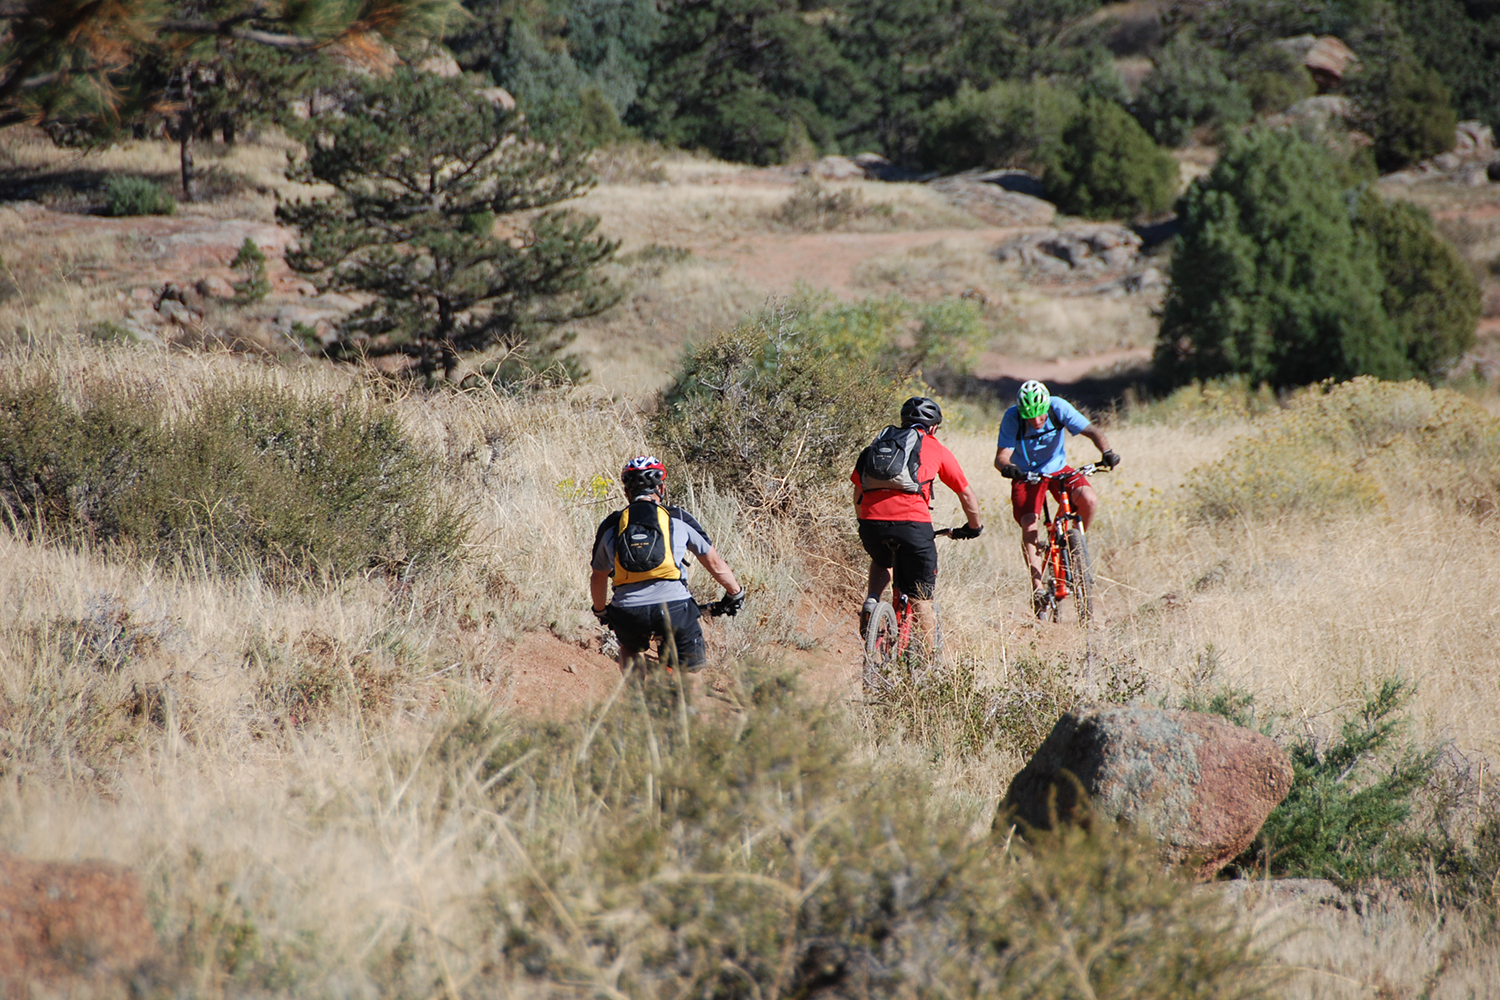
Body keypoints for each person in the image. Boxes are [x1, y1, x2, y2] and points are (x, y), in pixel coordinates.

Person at [852, 396, 983, 654]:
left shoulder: (880, 443)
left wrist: (864, 519)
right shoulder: (935, 448)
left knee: (882, 560)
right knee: (922, 598)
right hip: (913, 525)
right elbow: (965, 494)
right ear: (933, 427)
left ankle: (872, 601)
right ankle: (933, 662)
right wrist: (973, 527)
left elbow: (858, 488)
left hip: (871, 523)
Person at [590, 456, 745, 673]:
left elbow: (598, 576)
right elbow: (714, 562)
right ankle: (689, 703)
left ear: (627, 492)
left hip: (628, 610)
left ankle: (636, 702)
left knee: (630, 650)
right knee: (689, 672)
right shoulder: (678, 517)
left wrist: (600, 610)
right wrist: (734, 593)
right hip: (675, 607)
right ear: (661, 488)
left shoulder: (610, 525)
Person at [993, 380, 1120, 615]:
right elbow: (1001, 457)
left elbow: (1092, 431)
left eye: (1039, 416)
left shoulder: (1057, 407)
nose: (1036, 422)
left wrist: (1107, 452)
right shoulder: (1012, 417)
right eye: (1030, 417)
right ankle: (1038, 589)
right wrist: (1009, 468)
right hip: (1027, 473)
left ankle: (1075, 547)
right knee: (1029, 523)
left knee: (1089, 500)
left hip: (1058, 468)